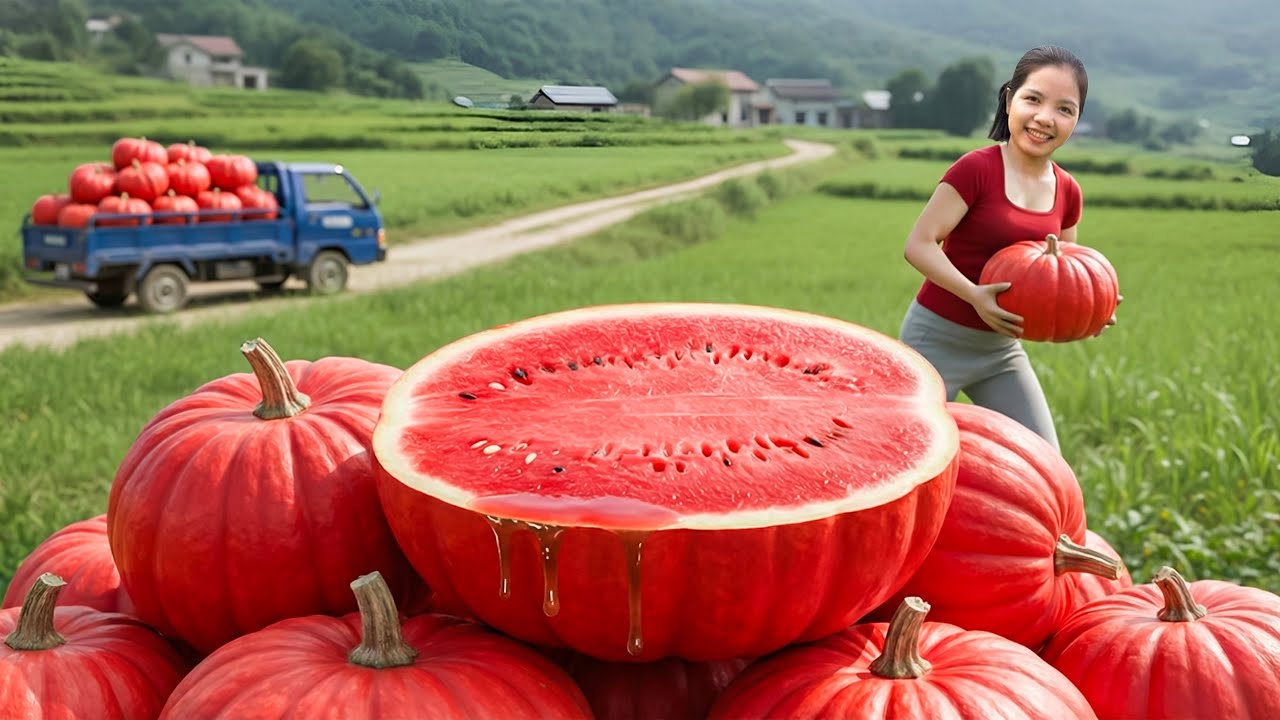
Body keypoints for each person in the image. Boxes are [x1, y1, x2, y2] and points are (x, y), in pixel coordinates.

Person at [899, 45, 1109, 452]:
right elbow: (919, 245)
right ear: (1010, 99)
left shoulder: (1068, 190)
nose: (1046, 118)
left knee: (1046, 460)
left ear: (1077, 120)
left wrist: (1091, 311)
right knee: (912, 461)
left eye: (1065, 109)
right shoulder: (976, 169)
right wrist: (974, 295)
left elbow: (1063, 276)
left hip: (1000, 353)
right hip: (934, 342)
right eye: (1034, 99)